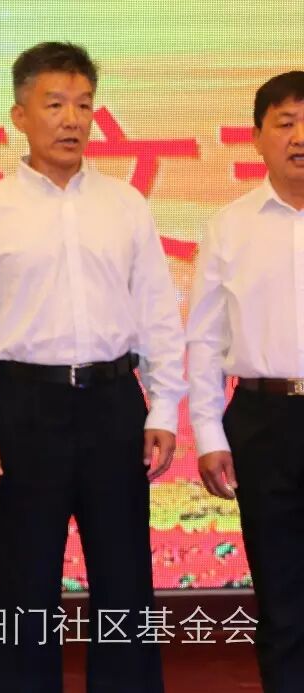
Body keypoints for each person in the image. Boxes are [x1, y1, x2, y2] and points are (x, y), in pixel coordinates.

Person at [0, 42, 185, 692]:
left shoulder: (125, 204)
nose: (72, 119)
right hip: (24, 406)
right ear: (20, 115)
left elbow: (157, 311)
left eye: (83, 105)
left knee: (125, 581)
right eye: (54, 105)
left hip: (113, 402)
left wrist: (163, 407)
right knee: (24, 585)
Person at [188, 71, 304, 693]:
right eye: (285, 123)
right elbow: (205, 338)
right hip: (264, 421)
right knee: (280, 590)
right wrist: (209, 434)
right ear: (257, 137)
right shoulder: (230, 226)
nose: (299, 137)